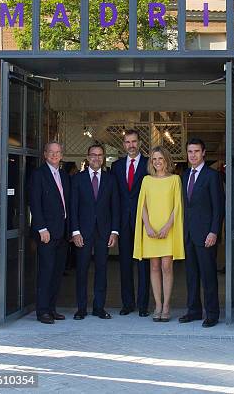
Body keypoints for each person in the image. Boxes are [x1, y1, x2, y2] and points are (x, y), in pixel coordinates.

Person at [133, 146, 184, 322]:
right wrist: (146, 226)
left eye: (160, 158)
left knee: (166, 267)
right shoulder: (146, 180)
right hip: (151, 230)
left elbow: (177, 205)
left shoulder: (175, 179)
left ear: (167, 160)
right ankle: (158, 305)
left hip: (167, 229)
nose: (157, 162)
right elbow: (142, 205)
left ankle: (167, 305)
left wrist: (168, 226)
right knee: (154, 267)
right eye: (154, 159)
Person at [70, 143, 120, 320]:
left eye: (100, 155)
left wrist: (114, 231)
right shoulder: (77, 179)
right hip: (83, 232)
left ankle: (99, 307)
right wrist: (75, 232)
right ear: (87, 156)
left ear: (103, 157)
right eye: (93, 155)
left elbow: (115, 207)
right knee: (82, 270)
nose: (96, 158)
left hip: (104, 232)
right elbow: (73, 207)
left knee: (102, 270)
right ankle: (81, 308)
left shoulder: (111, 179)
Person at [178, 138, 224, 328]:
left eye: (196, 151)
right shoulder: (184, 174)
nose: (193, 155)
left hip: (206, 235)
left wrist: (214, 232)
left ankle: (212, 313)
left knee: (208, 276)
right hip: (188, 234)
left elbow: (218, 207)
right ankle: (194, 311)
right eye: (190, 152)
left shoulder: (212, 176)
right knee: (191, 275)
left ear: (203, 153)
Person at [28, 141, 70, 324]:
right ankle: (42, 311)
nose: (54, 155)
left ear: (61, 155)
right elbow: (34, 203)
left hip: (62, 233)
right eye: (51, 152)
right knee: (46, 272)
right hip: (46, 233)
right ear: (45, 154)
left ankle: (51, 308)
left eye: (58, 152)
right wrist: (41, 228)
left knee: (57, 272)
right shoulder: (38, 174)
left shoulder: (63, 174)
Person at [111, 130, 151, 317]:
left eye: (134, 141)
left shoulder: (148, 163)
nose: (131, 145)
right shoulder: (116, 166)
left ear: (140, 142)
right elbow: (115, 197)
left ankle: (143, 305)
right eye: (127, 142)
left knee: (143, 265)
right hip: (123, 223)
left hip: (143, 221)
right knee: (125, 264)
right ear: (124, 144)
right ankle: (128, 303)